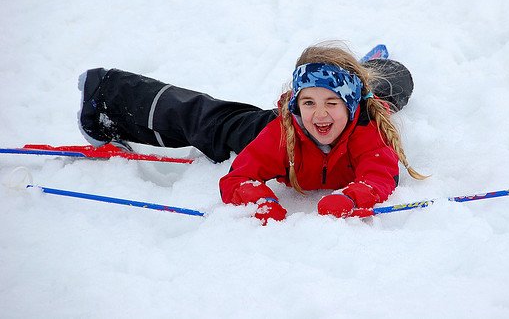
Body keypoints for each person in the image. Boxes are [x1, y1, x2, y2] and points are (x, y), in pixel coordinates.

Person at [78, 43, 426, 224]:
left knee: (387, 90)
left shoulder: (366, 132)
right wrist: (258, 199)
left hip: (362, 102)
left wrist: (351, 199)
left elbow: (379, 177)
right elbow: (238, 178)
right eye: (309, 102)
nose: (319, 113)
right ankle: (106, 92)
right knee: (208, 125)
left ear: (350, 107)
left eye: (332, 103)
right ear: (295, 103)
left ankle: (375, 71)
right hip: (286, 132)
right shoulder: (282, 132)